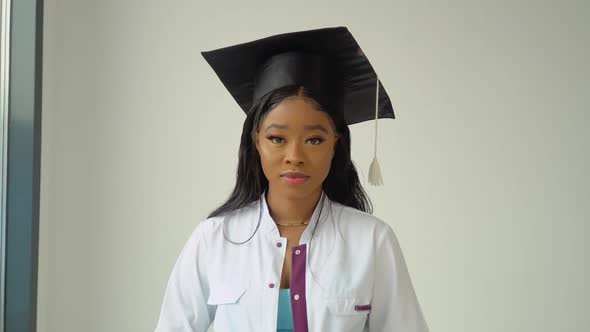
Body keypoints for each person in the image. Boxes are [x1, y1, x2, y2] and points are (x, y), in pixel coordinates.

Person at [155, 26, 429, 332]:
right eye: (276, 138)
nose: (294, 155)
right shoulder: (214, 239)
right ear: (255, 140)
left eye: (314, 139)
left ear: (336, 143)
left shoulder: (371, 241)